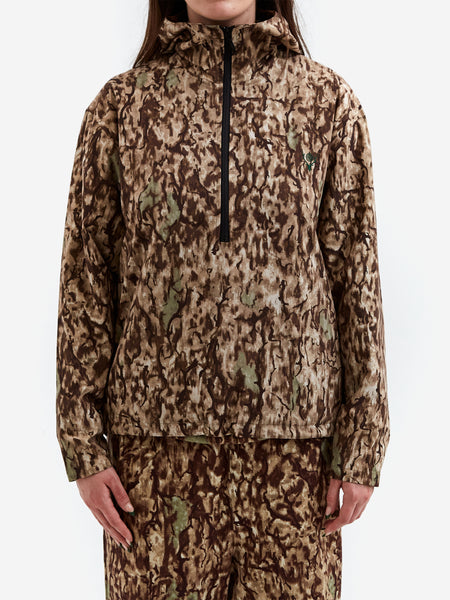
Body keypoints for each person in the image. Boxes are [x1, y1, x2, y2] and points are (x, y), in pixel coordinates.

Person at [55, 0, 390, 598]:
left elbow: (356, 280)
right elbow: (86, 279)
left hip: (297, 462)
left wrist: (363, 442)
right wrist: (81, 441)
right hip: (154, 466)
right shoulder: (121, 110)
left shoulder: (328, 106)